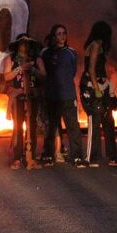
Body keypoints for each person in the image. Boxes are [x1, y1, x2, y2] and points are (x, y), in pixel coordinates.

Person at [38, 24, 88, 168]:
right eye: (59, 34)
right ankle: (48, 155)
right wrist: (43, 72)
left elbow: (72, 72)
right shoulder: (46, 52)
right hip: (52, 95)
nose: (62, 36)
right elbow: (39, 61)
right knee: (51, 126)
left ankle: (77, 156)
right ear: (54, 36)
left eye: (64, 33)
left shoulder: (71, 52)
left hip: (68, 95)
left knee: (73, 127)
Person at [80, 21, 117, 168]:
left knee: (108, 120)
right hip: (93, 87)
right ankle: (91, 157)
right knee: (96, 121)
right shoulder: (95, 45)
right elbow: (91, 69)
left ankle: (112, 156)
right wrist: (97, 89)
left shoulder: (94, 45)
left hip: (100, 86)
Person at [1, 34, 41, 169]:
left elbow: (44, 75)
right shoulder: (11, 59)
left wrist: (33, 68)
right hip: (18, 97)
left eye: (28, 43)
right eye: (23, 43)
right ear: (18, 44)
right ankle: (17, 158)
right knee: (18, 127)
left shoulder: (35, 59)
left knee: (32, 127)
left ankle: (32, 157)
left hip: (32, 97)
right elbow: (7, 77)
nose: (25, 46)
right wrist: (20, 68)